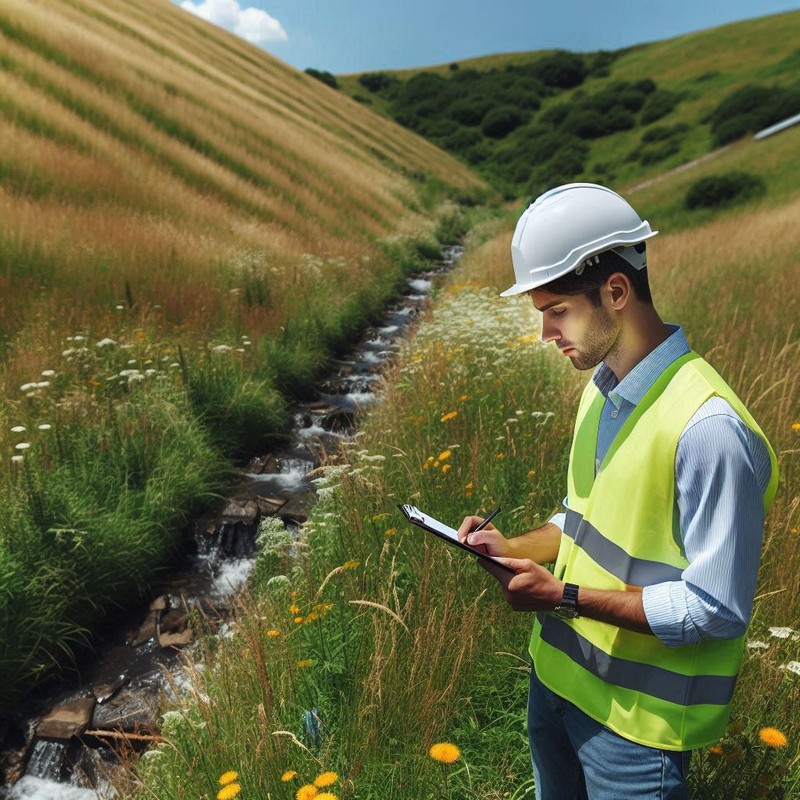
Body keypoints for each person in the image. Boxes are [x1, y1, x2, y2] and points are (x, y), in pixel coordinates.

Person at [457, 183, 778, 800]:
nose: (547, 333)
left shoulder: (710, 430)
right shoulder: (600, 392)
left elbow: (714, 608)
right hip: (555, 687)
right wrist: (509, 545)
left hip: (635, 733)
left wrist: (564, 596)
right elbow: (580, 521)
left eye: (557, 310)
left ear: (616, 292)